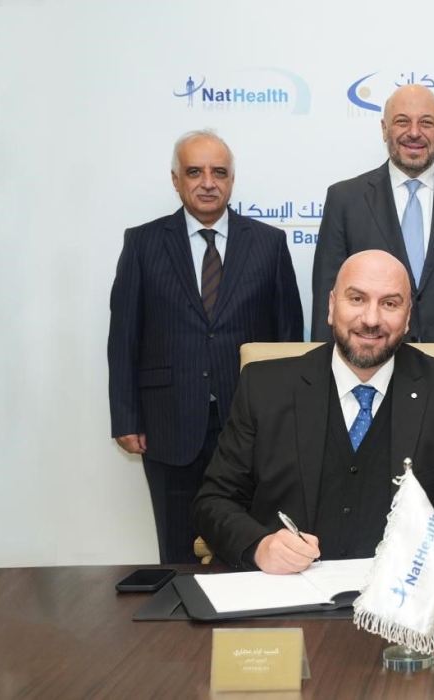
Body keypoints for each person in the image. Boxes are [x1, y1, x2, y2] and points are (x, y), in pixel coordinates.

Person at [193, 250, 434, 573]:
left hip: (402, 593)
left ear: (408, 317)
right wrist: (259, 546)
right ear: (332, 306)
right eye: (357, 299)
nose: (371, 319)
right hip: (286, 589)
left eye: (389, 303)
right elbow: (214, 501)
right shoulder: (264, 388)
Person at [108, 129, 304, 564]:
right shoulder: (142, 243)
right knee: (178, 551)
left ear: (232, 179)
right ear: (175, 180)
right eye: (195, 172)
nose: (208, 183)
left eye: (219, 172)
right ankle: (181, 612)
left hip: (251, 425)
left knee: (250, 546)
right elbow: (123, 337)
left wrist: (290, 420)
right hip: (168, 422)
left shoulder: (269, 243)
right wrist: (125, 416)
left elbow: (289, 338)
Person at [310, 84, 434, 434]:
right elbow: (328, 300)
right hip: (368, 377)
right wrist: (324, 386)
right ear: (384, 129)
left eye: (426, 122)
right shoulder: (345, 199)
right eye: (402, 121)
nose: (414, 132)